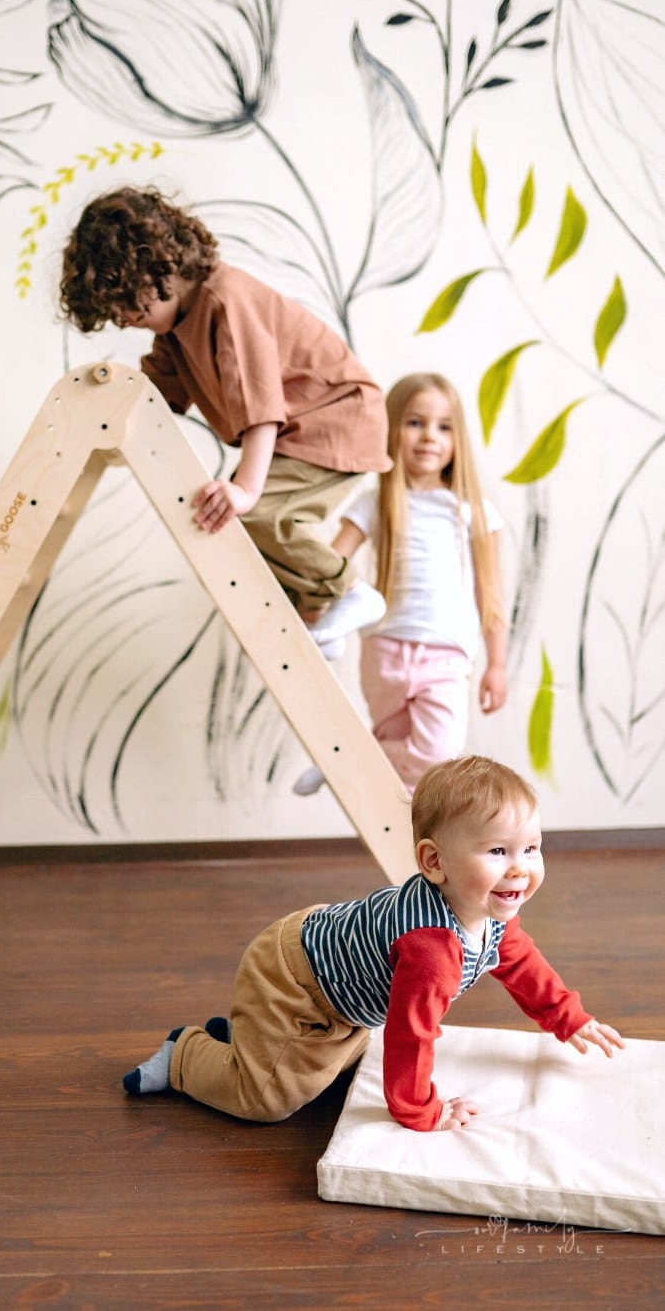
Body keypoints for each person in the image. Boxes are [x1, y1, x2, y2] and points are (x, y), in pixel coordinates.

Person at [122, 756, 623, 1132]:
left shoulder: (489, 910)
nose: (520, 867)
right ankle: (185, 1056)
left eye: (531, 848)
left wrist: (569, 1017)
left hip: (335, 969)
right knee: (269, 1100)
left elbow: (521, 964)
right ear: (434, 863)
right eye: (497, 851)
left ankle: (244, 1039)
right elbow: (411, 1036)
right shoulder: (432, 952)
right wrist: (422, 1111)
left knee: (342, 1058)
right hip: (293, 978)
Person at [58, 185, 391, 646]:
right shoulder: (175, 331)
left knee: (257, 516)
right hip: (298, 428)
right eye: (116, 315)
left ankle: (351, 590)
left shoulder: (225, 301)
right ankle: (318, 613)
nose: (126, 319)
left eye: (132, 304)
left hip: (337, 418)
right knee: (239, 528)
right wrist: (103, 427)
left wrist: (246, 489)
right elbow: (152, 397)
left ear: (162, 268)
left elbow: (260, 405)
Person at [295, 371, 507, 796]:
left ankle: (348, 758)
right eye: (415, 423)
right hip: (385, 649)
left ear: (457, 438)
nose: (429, 437)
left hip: (446, 653)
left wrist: (497, 664)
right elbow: (334, 560)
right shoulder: (375, 502)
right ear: (391, 429)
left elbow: (491, 593)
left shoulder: (471, 510)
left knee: (440, 757)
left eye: (443, 427)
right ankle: (395, 823)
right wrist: (311, 602)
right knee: (397, 750)